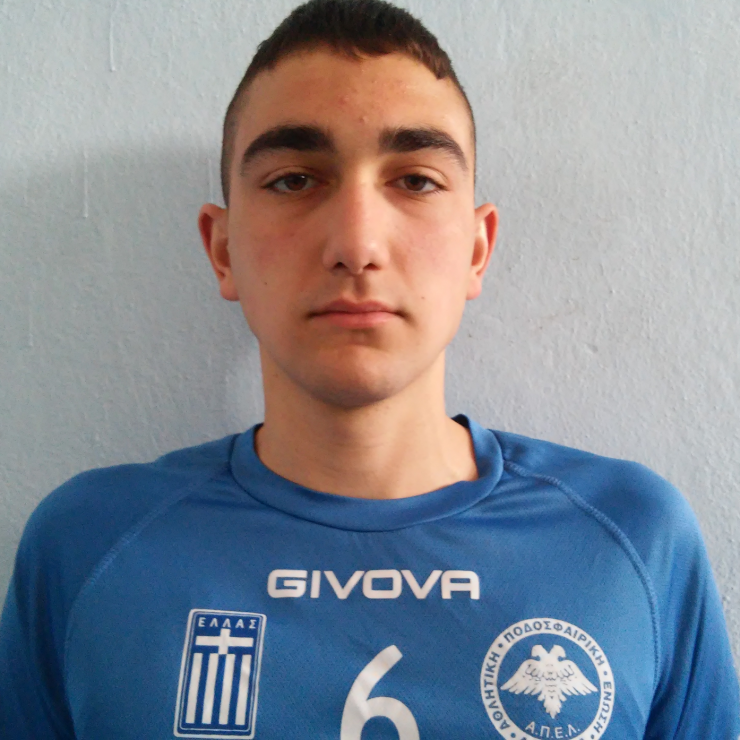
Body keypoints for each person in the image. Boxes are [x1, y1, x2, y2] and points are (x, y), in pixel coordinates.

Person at [1, 0, 737, 737]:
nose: (357, 245)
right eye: (294, 180)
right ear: (222, 250)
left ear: (477, 249)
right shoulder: (89, 549)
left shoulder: (630, 541)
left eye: (415, 180)